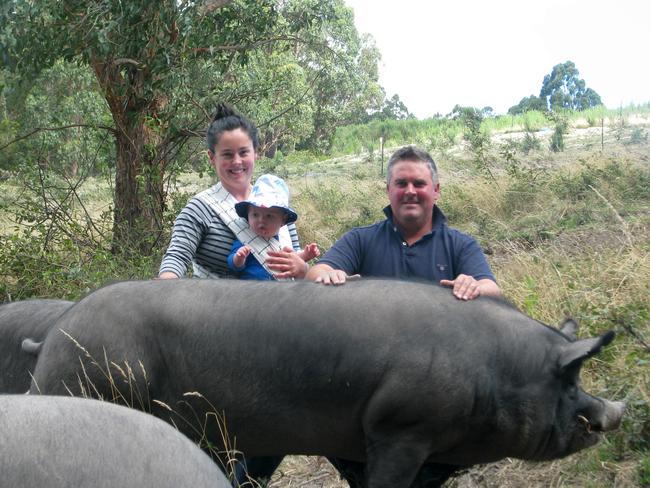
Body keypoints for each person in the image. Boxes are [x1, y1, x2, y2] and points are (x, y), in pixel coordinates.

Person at [306, 145, 501, 300]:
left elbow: (491, 289)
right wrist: (328, 276)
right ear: (388, 190)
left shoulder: (460, 245)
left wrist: (473, 286)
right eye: (401, 183)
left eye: (419, 183)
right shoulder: (360, 239)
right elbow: (316, 273)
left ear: (436, 190)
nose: (410, 191)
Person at [158, 103, 309, 281]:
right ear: (212, 158)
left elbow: (296, 263)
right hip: (217, 306)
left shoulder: (278, 204)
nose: (237, 162)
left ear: (255, 153)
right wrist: (163, 288)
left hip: (279, 305)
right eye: (227, 155)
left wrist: (303, 268)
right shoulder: (199, 209)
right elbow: (176, 257)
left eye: (244, 152)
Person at [228, 174, 319, 280]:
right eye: (255, 215)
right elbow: (232, 264)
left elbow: (292, 260)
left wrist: (306, 255)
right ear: (248, 215)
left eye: (269, 216)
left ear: (283, 220)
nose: (261, 220)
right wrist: (238, 259)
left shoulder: (285, 239)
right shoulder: (245, 236)